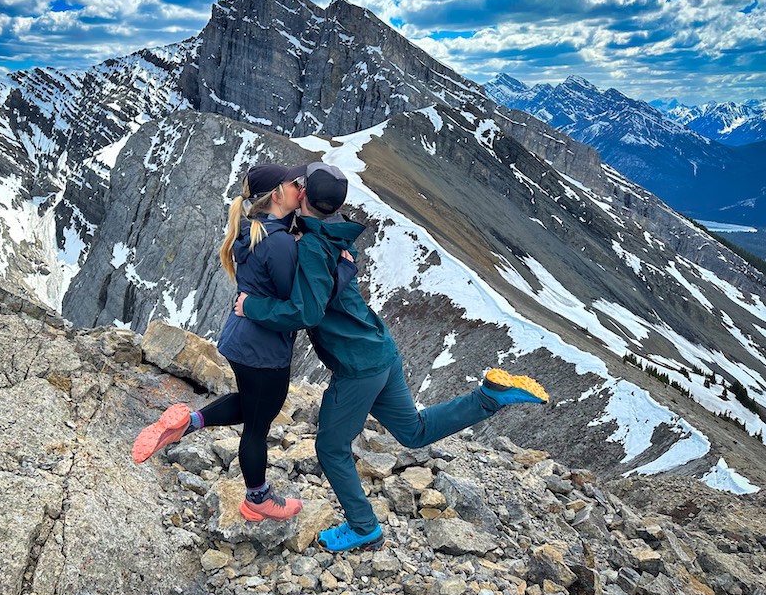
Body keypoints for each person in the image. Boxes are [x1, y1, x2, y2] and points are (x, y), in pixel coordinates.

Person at [235, 162, 549, 552]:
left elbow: (307, 313)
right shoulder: (334, 232)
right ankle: (489, 397)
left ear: (305, 199)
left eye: (301, 186)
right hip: (381, 350)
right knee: (413, 431)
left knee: (331, 449)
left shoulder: (312, 247)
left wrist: (253, 308)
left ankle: (364, 527)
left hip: (358, 366)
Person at [132, 162, 309, 522]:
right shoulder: (278, 244)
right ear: (276, 194)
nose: (299, 187)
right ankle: (257, 498)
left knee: (252, 405)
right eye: (294, 183)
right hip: (265, 348)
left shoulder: (255, 229)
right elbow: (295, 300)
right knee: (258, 425)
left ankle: (189, 422)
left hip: (242, 341)